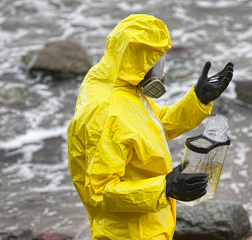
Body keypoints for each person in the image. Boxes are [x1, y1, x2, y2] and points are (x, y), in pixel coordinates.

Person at [67, 14, 234, 240]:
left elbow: (149, 126)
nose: (160, 71)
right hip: (130, 233)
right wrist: (165, 187)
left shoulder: (114, 82)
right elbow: (100, 192)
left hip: (145, 222)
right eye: (155, 61)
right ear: (138, 60)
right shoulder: (109, 112)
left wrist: (197, 100)